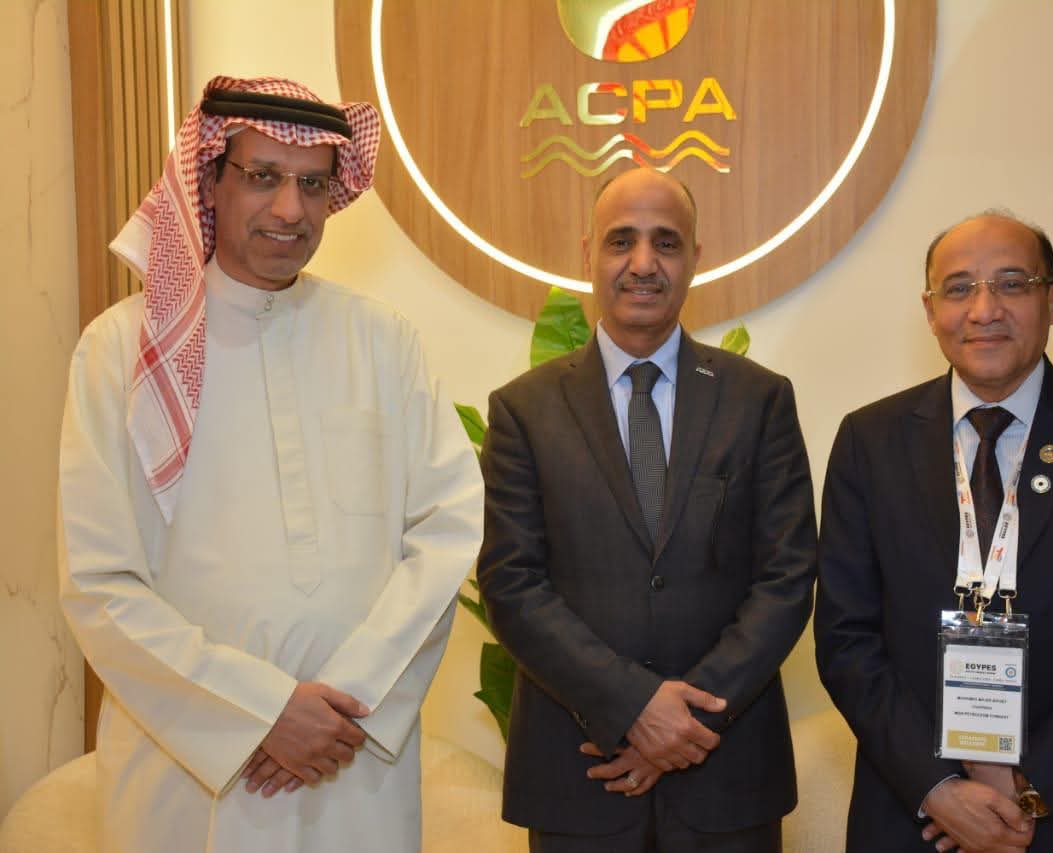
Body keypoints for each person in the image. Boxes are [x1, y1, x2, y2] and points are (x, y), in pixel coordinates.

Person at [57, 76, 483, 852]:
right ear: (210, 181)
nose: (290, 209)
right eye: (262, 176)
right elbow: (99, 581)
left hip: (352, 759)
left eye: (313, 184)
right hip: (189, 777)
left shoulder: (382, 341)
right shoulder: (120, 351)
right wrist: (256, 712)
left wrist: (346, 698)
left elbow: (448, 527)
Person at [814, 211, 1053, 852]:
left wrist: (1029, 782)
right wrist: (938, 788)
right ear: (930, 309)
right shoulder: (869, 441)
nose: (984, 309)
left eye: (1012, 283)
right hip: (915, 821)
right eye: (959, 288)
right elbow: (845, 642)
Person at [477, 168, 817, 851]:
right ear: (588, 254)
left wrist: (686, 720)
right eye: (620, 241)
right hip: (581, 778)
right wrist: (633, 705)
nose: (642, 263)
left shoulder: (759, 399)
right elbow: (512, 584)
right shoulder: (523, 410)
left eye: (666, 242)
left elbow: (786, 577)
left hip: (726, 774)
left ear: (696, 256)